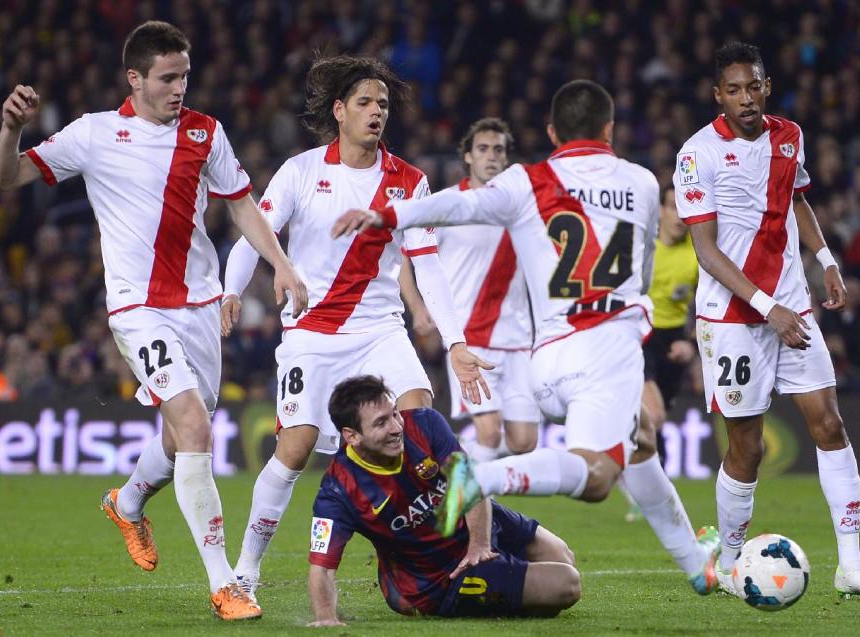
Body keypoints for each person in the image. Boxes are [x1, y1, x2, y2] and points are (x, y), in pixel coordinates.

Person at [334, 79, 721, 596]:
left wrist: (385, 214)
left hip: (545, 358)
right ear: (609, 129)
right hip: (605, 349)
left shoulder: (527, 182)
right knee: (600, 478)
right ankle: (482, 478)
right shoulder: (645, 183)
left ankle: (697, 566)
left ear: (552, 131)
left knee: (642, 435)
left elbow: (459, 205)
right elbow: (640, 267)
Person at [0, 21, 306, 620]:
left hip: (201, 307)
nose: (179, 87)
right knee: (194, 427)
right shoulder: (94, 135)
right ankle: (225, 585)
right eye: (167, 78)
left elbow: (240, 202)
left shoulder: (206, 133)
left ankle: (128, 503)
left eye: (184, 75)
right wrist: (10, 130)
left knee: (177, 436)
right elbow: (4, 178)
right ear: (134, 79)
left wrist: (280, 265)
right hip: (137, 307)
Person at [220, 55, 492, 602]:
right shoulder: (301, 171)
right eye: (365, 103)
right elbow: (255, 233)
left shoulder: (409, 183)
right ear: (339, 111)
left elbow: (428, 265)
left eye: (383, 105)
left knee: (419, 421)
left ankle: (437, 553)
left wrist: (457, 342)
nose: (376, 113)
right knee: (294, 449)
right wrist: (231, 290)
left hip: (379, 327)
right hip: (312, 333)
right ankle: (244, 572)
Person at [673, 42, 860, 600]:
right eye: (734, 90)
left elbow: (798, 201)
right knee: (747, 447)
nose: (745, 99)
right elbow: (705, 251)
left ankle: (850, 564)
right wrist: (764, 307)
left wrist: (826, 261)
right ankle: (728, 563)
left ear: (766, 86)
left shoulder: (789, 135)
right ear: (717, 95)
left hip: (792, 305)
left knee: (829, 424)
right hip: (731, 318)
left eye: (754, 87)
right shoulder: (696, 154)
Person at [307, 375, 580, 625]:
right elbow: (322, 567)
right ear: (351, 436)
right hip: (436, 580)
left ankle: (503, 586)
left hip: (475, 524)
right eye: (381, 422)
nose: (395, 428)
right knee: (566, 585)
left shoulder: (424, 423)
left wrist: (479, 546)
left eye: (394, 415)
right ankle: (494, 592)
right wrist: (326, 618)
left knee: (563, 557)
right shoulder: (338, 491)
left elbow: (470, 482)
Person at [403, 117, 540, 462]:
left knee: (524, 442)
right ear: (467, 157)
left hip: (518, 337)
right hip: (467, 336)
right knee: (490, 432)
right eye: (482, 149)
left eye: (498, 150)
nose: (490, 156)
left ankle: (456, 467)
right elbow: (404, 258)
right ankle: (463, 496)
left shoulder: (525, 208)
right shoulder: (447, 204)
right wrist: (418, 307)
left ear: (507, 158)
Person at [621, 184, 699, 522]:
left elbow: (709, 301)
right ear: (662, 211)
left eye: (684, 208)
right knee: (654, 415)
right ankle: (653, 494)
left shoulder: (698, 251)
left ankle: (634, 476)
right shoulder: (643, 248)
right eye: (672, 206)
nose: (680, 215)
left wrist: (692, 343)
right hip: (640, 335)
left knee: (650, 421)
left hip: (675, 339)